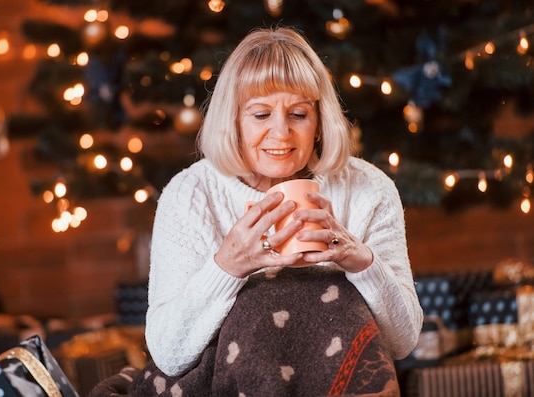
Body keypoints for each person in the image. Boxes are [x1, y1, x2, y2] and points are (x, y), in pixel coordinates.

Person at [91, 26, 424, 396]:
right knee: (257, 299)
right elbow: (169, 356)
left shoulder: (368, 189)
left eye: (298, 114)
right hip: (228, 384)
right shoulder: (190, 194)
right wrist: (227, 266)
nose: (280, 133)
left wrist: (360, 261)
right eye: (261, 114)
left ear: (318, 123)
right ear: (233, 121)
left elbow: (402, 342)